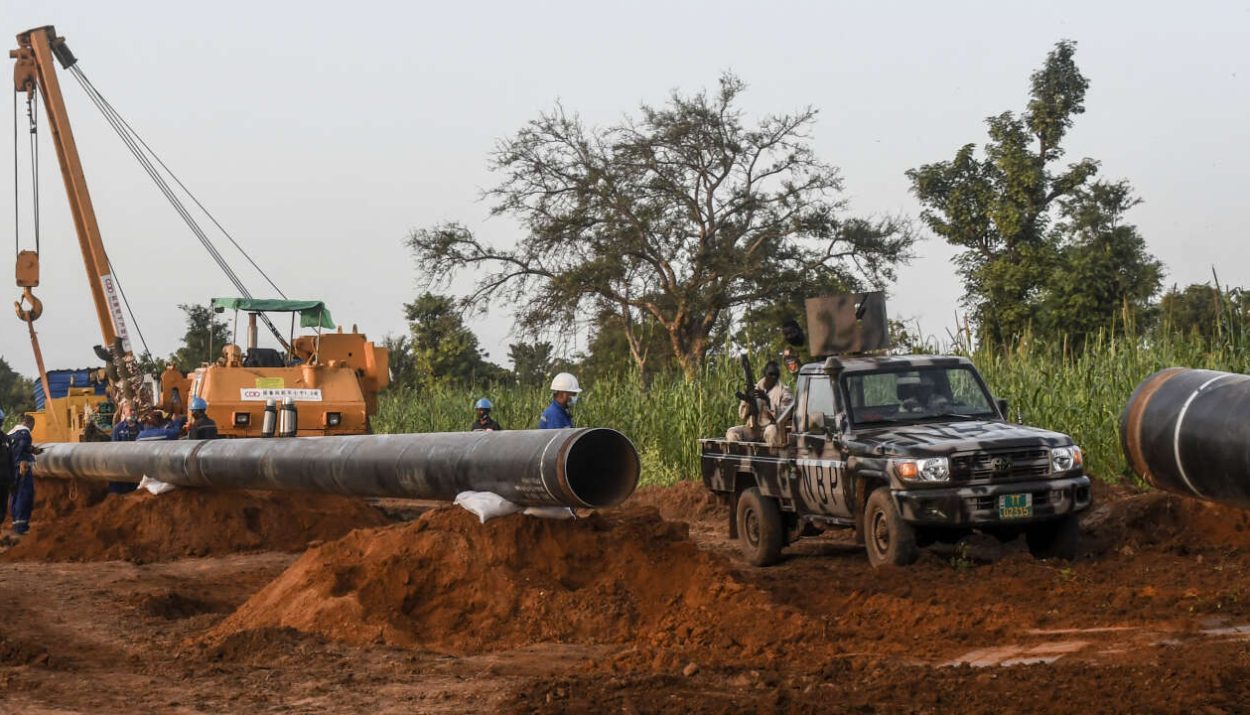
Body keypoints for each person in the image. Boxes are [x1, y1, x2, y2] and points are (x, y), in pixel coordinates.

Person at [726, 361, 794, 446]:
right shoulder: (755, 389)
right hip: (753, 429)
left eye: (775, 375)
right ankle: (738, 454)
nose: (773, 377)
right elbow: (742, 415)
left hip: (771, 428)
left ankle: (774, 454)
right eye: (770, 374)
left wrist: (768, 401)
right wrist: (747, 401)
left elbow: (786, 414)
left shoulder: (784, 391)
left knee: (771, 431)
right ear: (765, 373)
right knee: (732, 432)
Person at [8, 414, 40, 536]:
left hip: (11, 470)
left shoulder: (10, 433)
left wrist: (32, 450)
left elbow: (17, 447)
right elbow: (20, 448)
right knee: (24, 494)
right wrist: (22, 461)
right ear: (29, 423)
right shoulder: (25, 433)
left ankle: (16, 523)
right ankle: (21, 527)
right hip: (22, 469)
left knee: (15, 495)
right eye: (33, 426)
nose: (32, 428)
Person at [108, 404, 141, 494]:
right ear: (124, 413)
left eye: (134, 410)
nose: (133, 412)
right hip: (123, 464)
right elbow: (114, 448)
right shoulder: (118, 429)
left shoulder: (141, 427)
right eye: (130, 410)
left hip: (138, 463)